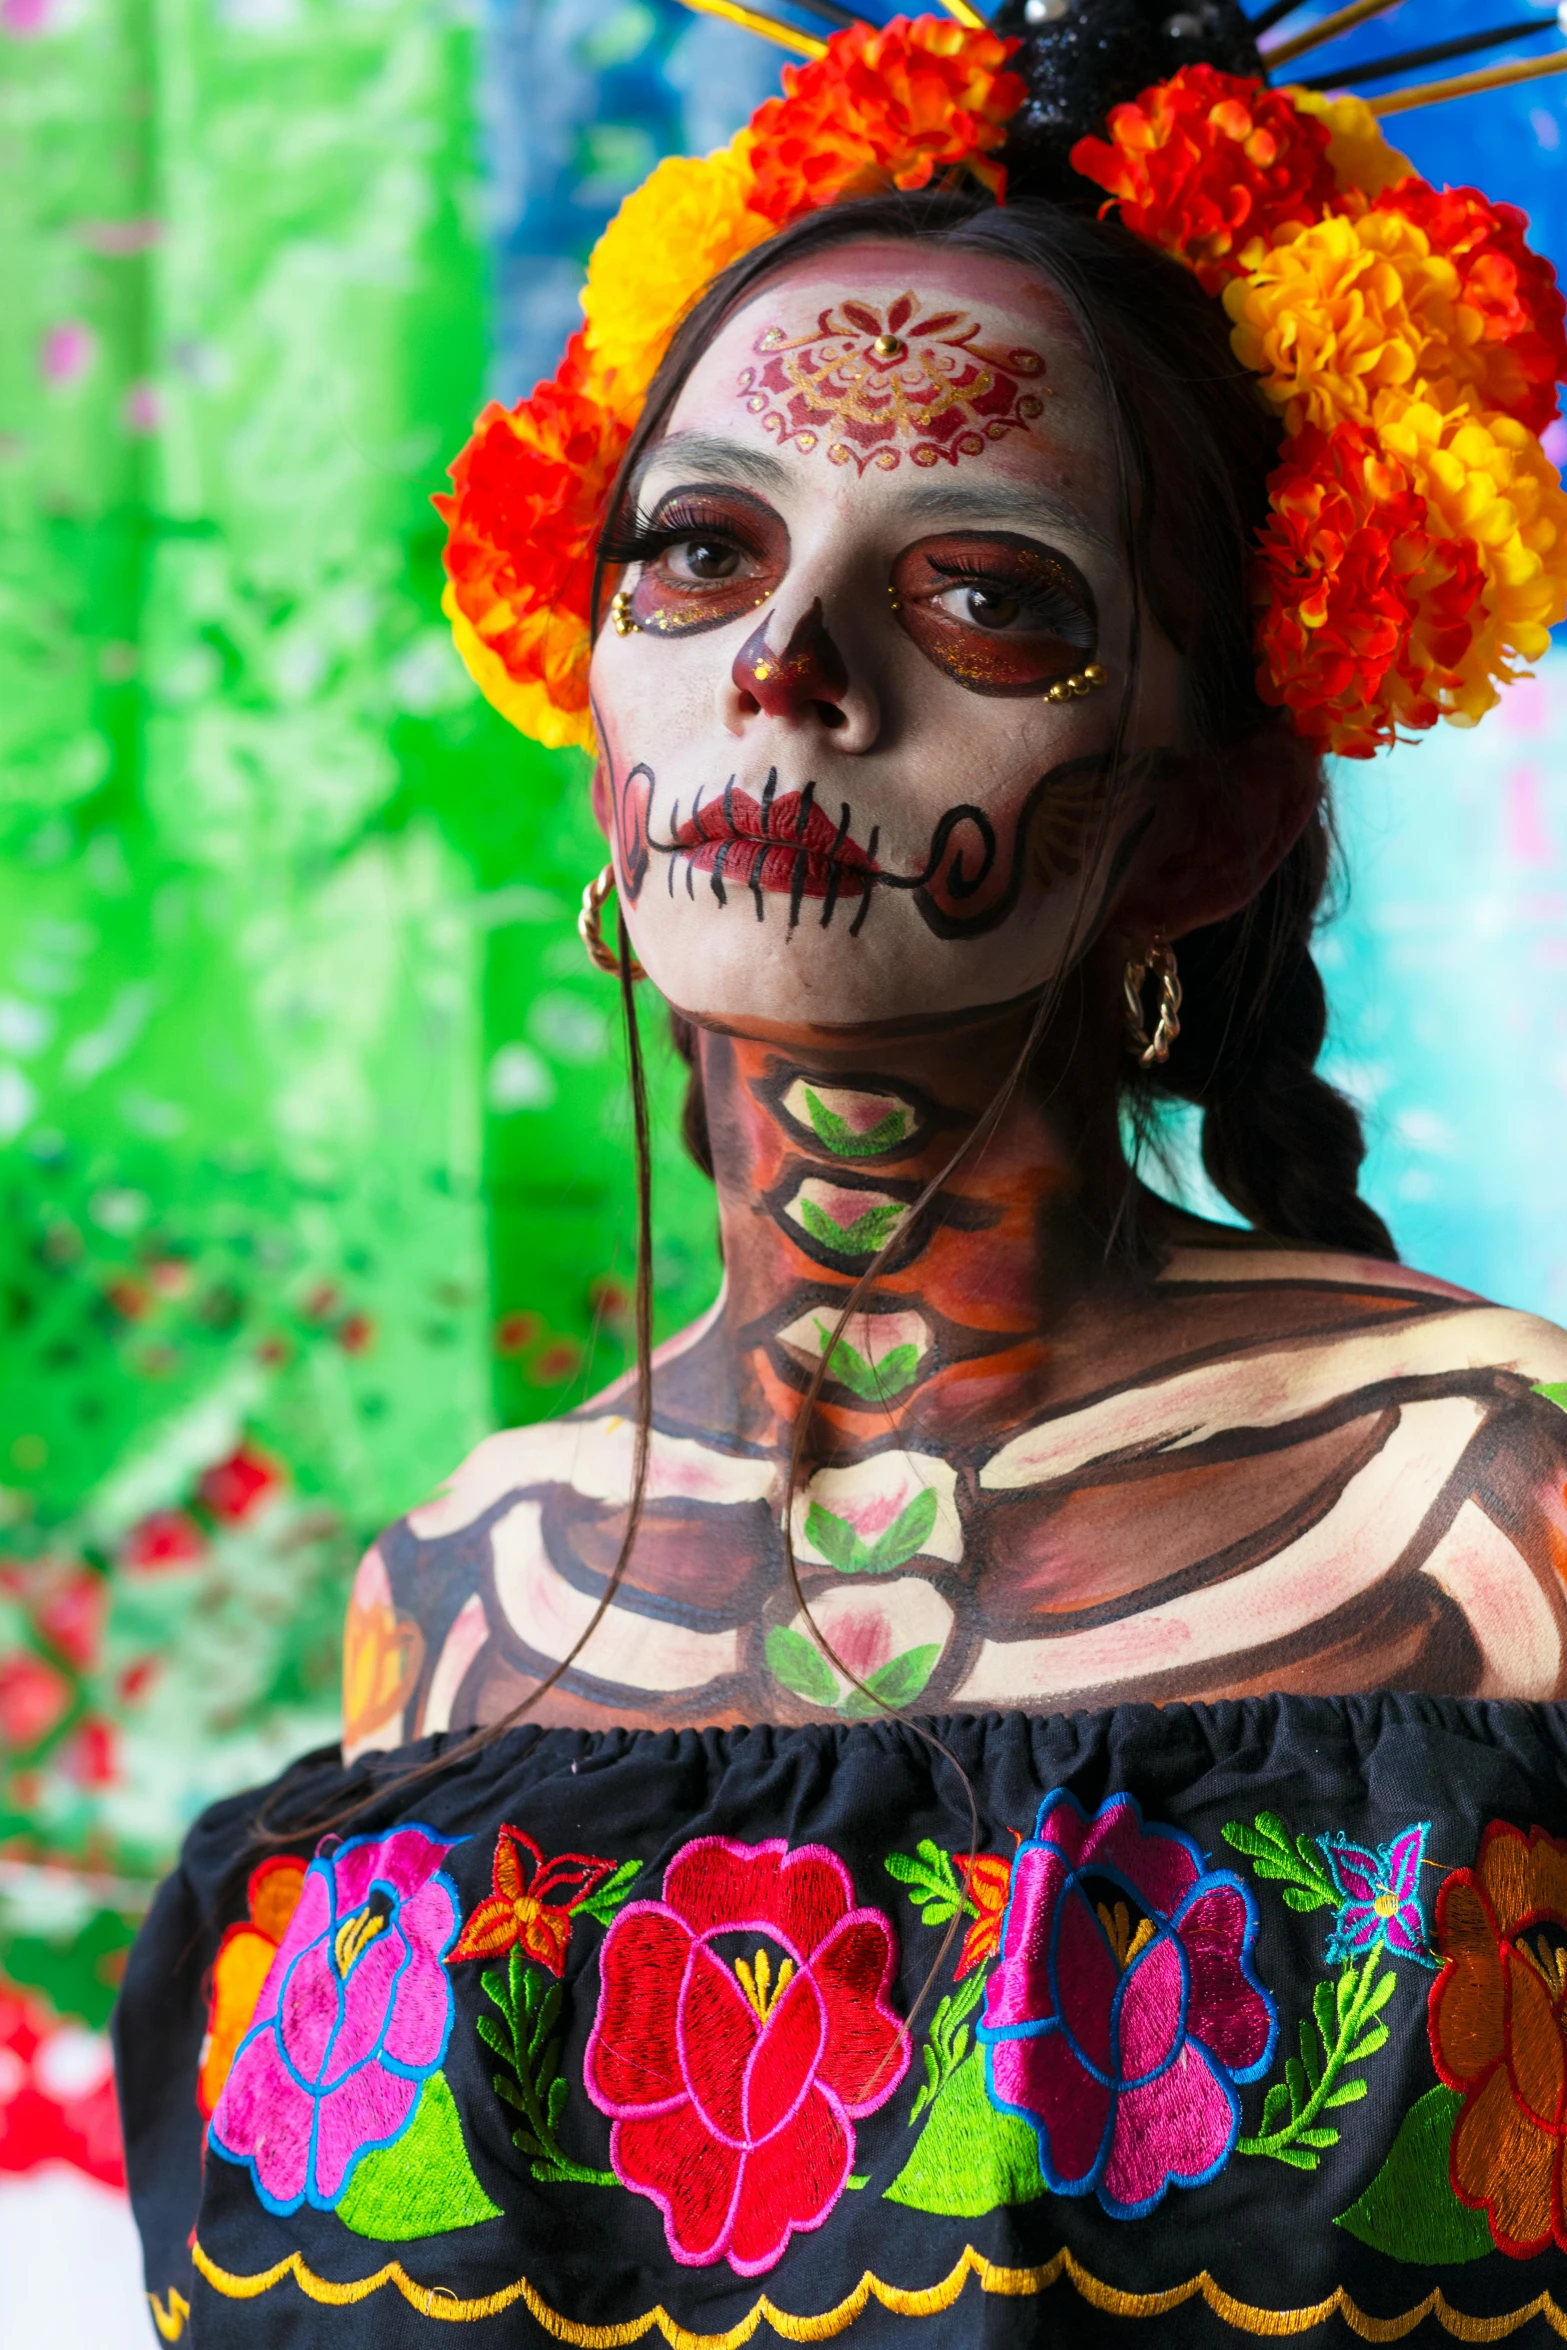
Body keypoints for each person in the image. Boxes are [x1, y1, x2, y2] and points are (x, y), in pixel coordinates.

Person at [115, 5, 1567, 2341]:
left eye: (983, 591)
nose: (787, 661)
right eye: (698, 550)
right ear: (591, 714)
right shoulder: (455, 1605)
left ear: (1198, 826)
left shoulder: (1505, 1523)